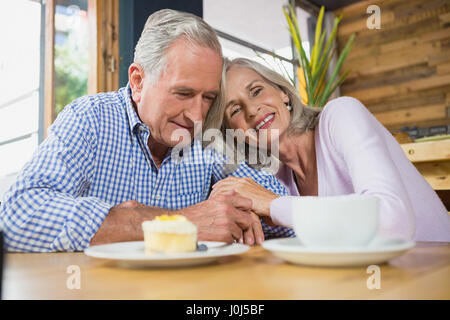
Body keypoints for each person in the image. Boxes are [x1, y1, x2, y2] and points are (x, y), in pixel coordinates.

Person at [0, 10, 294, 253]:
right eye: (183, 93)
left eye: (208, 98)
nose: (196, 115)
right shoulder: (89, 118)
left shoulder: (207, 138)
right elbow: (16, 217)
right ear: (138, 81)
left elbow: (282, 217)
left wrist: (249, 204)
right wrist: (179, 222)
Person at [209, 57, 450, 242]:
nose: (251, 109)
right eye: (235, 110)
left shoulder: (341, 114)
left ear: (283, 92)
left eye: (257, 91)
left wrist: (273, 205)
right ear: (235, 134)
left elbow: (393, 221)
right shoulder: (277, 180)